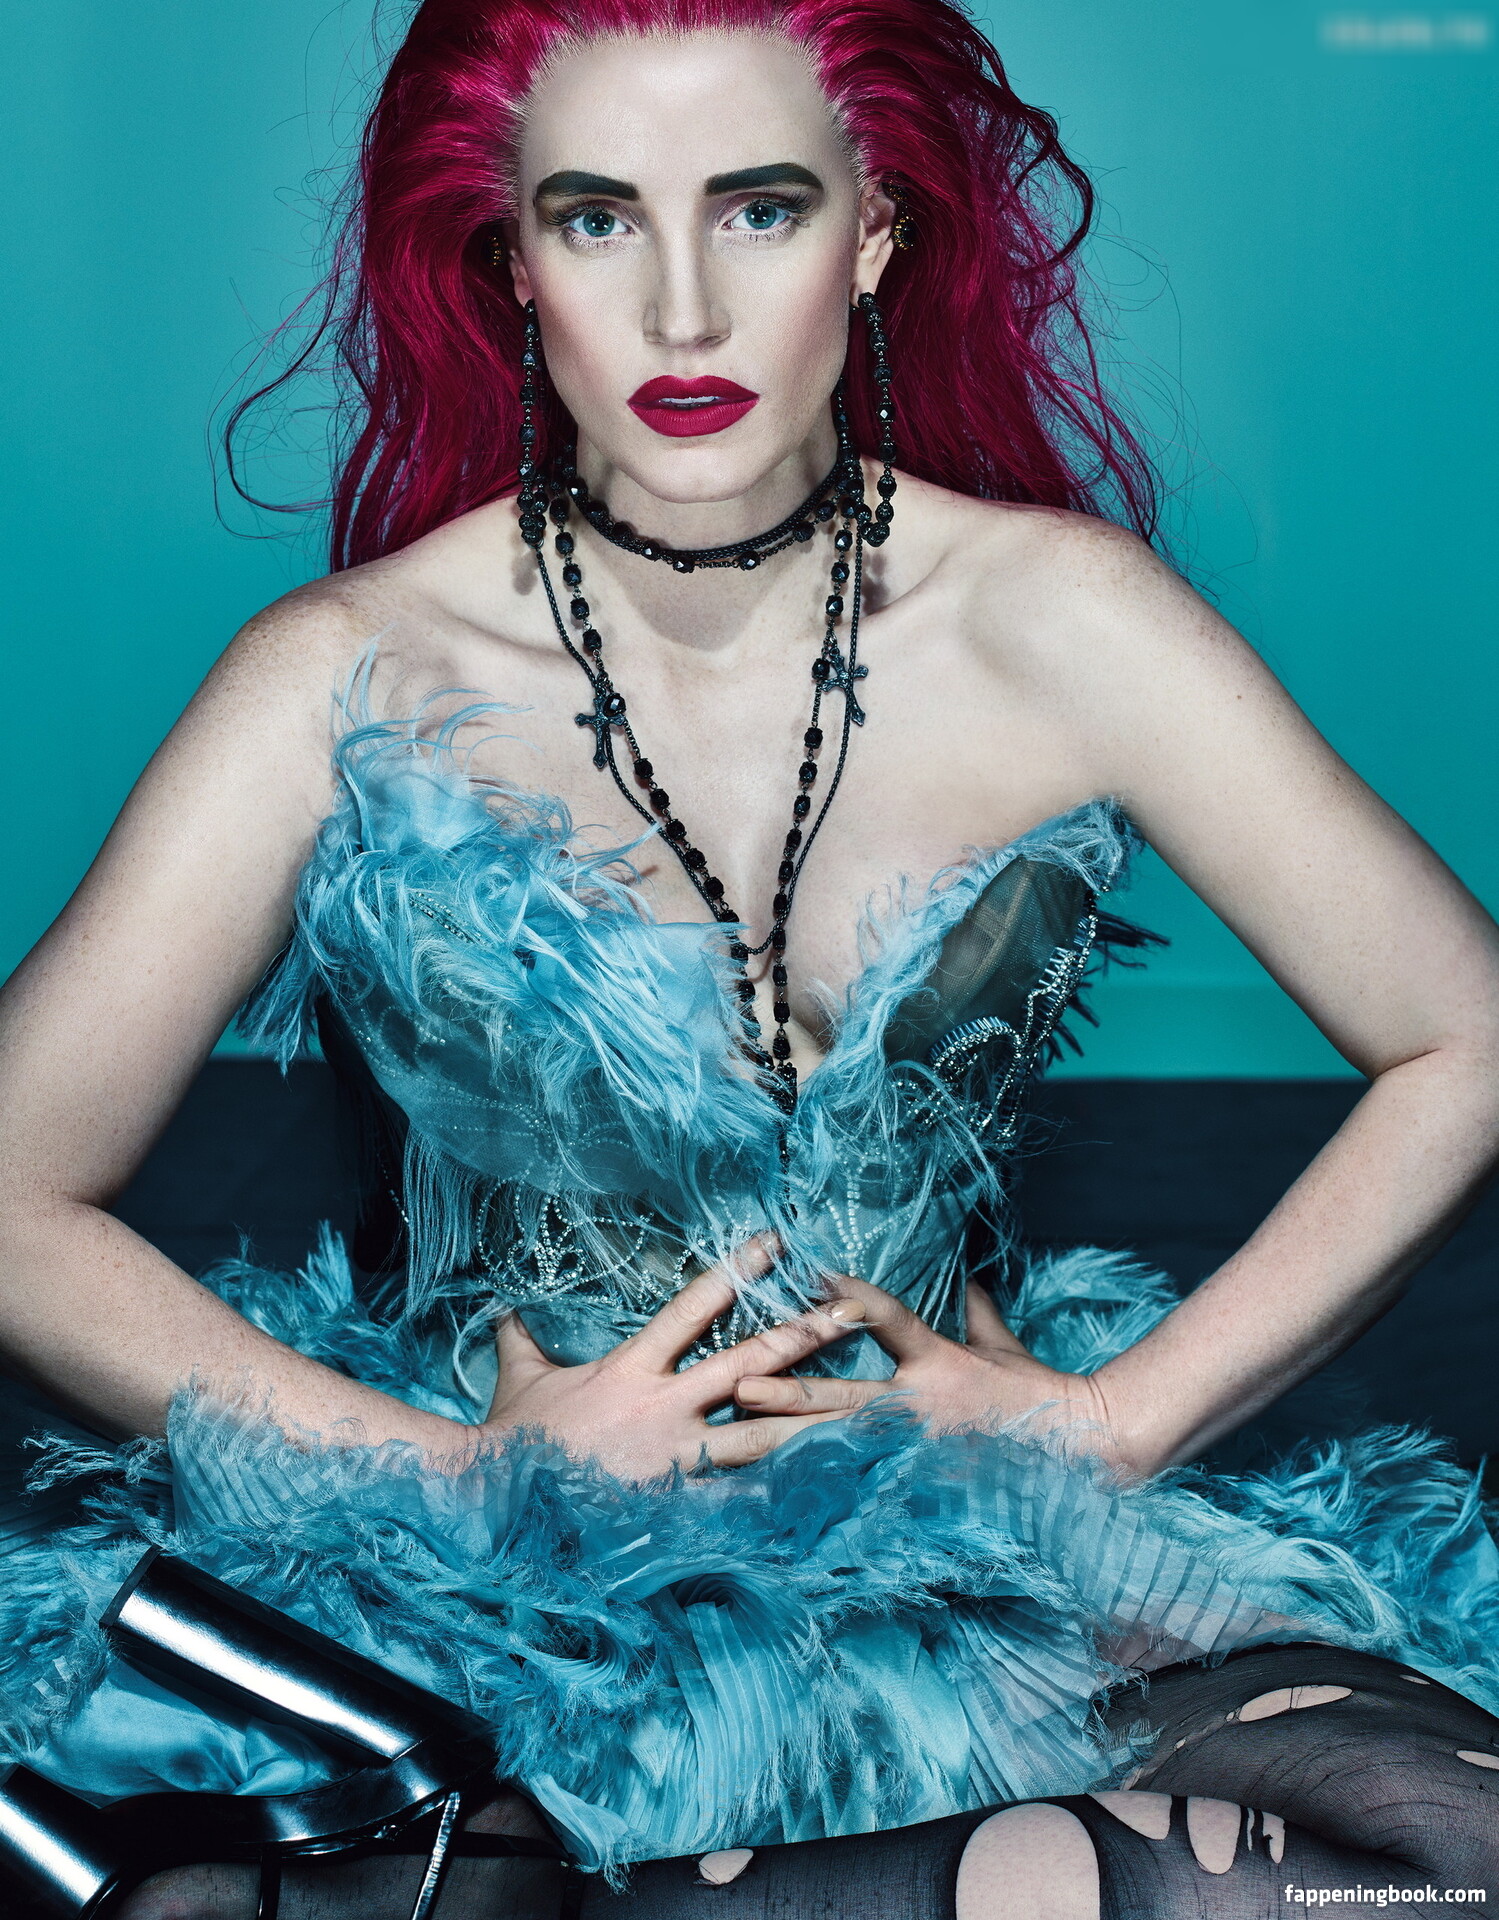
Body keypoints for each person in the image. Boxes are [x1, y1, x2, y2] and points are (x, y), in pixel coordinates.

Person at [0, 0, 1496, 1914]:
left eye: (761, 209)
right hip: (507, 1573)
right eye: (598, 219)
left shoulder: (1060, 620)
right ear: (511, 260)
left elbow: (1466, 1036)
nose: (684, 311)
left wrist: (1113, 1424)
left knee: (1449, 1859)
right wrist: (452, 1478)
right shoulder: (349, 674)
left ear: (875, 236)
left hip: (971, 1533)